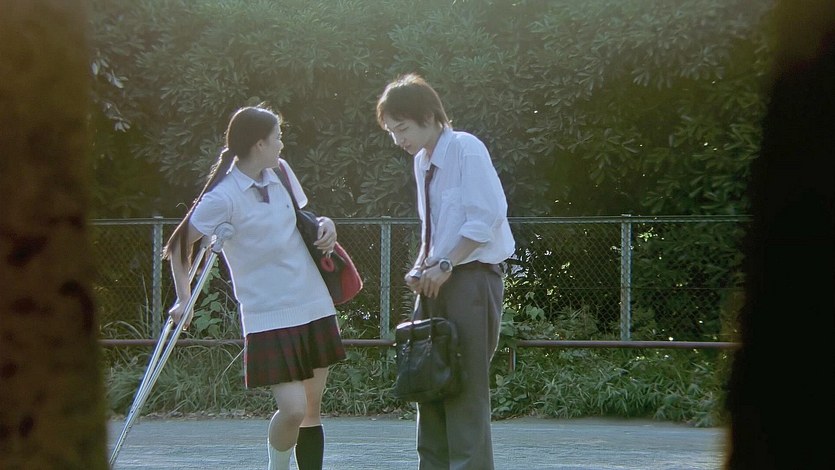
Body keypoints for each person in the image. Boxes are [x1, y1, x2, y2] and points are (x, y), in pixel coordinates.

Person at [162, 105, 345, 470]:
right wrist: (184, 299)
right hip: (267, 313)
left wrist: (327, 224)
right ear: (259, 144)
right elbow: (179, 246)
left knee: (311, 410)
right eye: (278, 137)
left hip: (311, 300)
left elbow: (304, 218)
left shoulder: (281, 172)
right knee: (292, 410)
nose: (282, 144)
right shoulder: (223, 196)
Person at [376, 73, 516, 470]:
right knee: (427, 383)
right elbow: (435, 230)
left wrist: (445, 263)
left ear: (428, 116)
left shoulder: (465, 148)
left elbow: (486, 217)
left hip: (471, 279)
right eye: (392, 131)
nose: (398, 139)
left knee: (465, 389)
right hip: (437, 281)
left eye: (402, 128)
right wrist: (423, 266)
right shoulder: (422, 161)